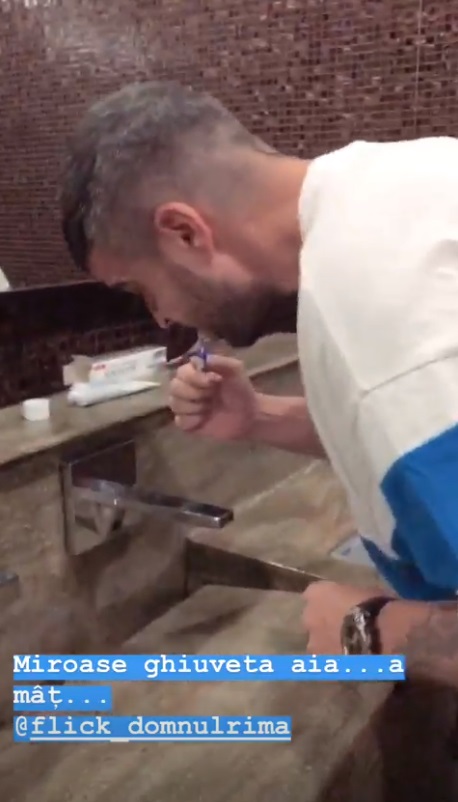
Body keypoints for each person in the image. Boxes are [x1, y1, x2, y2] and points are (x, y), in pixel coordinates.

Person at [60, 80, 458, 682]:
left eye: (141, 289)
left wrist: (369, 630)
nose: (162, 318)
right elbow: (415, 431)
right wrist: (260, 418)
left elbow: (401, 392)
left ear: (185, 232)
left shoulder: (378, 319)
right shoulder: (401, 179)